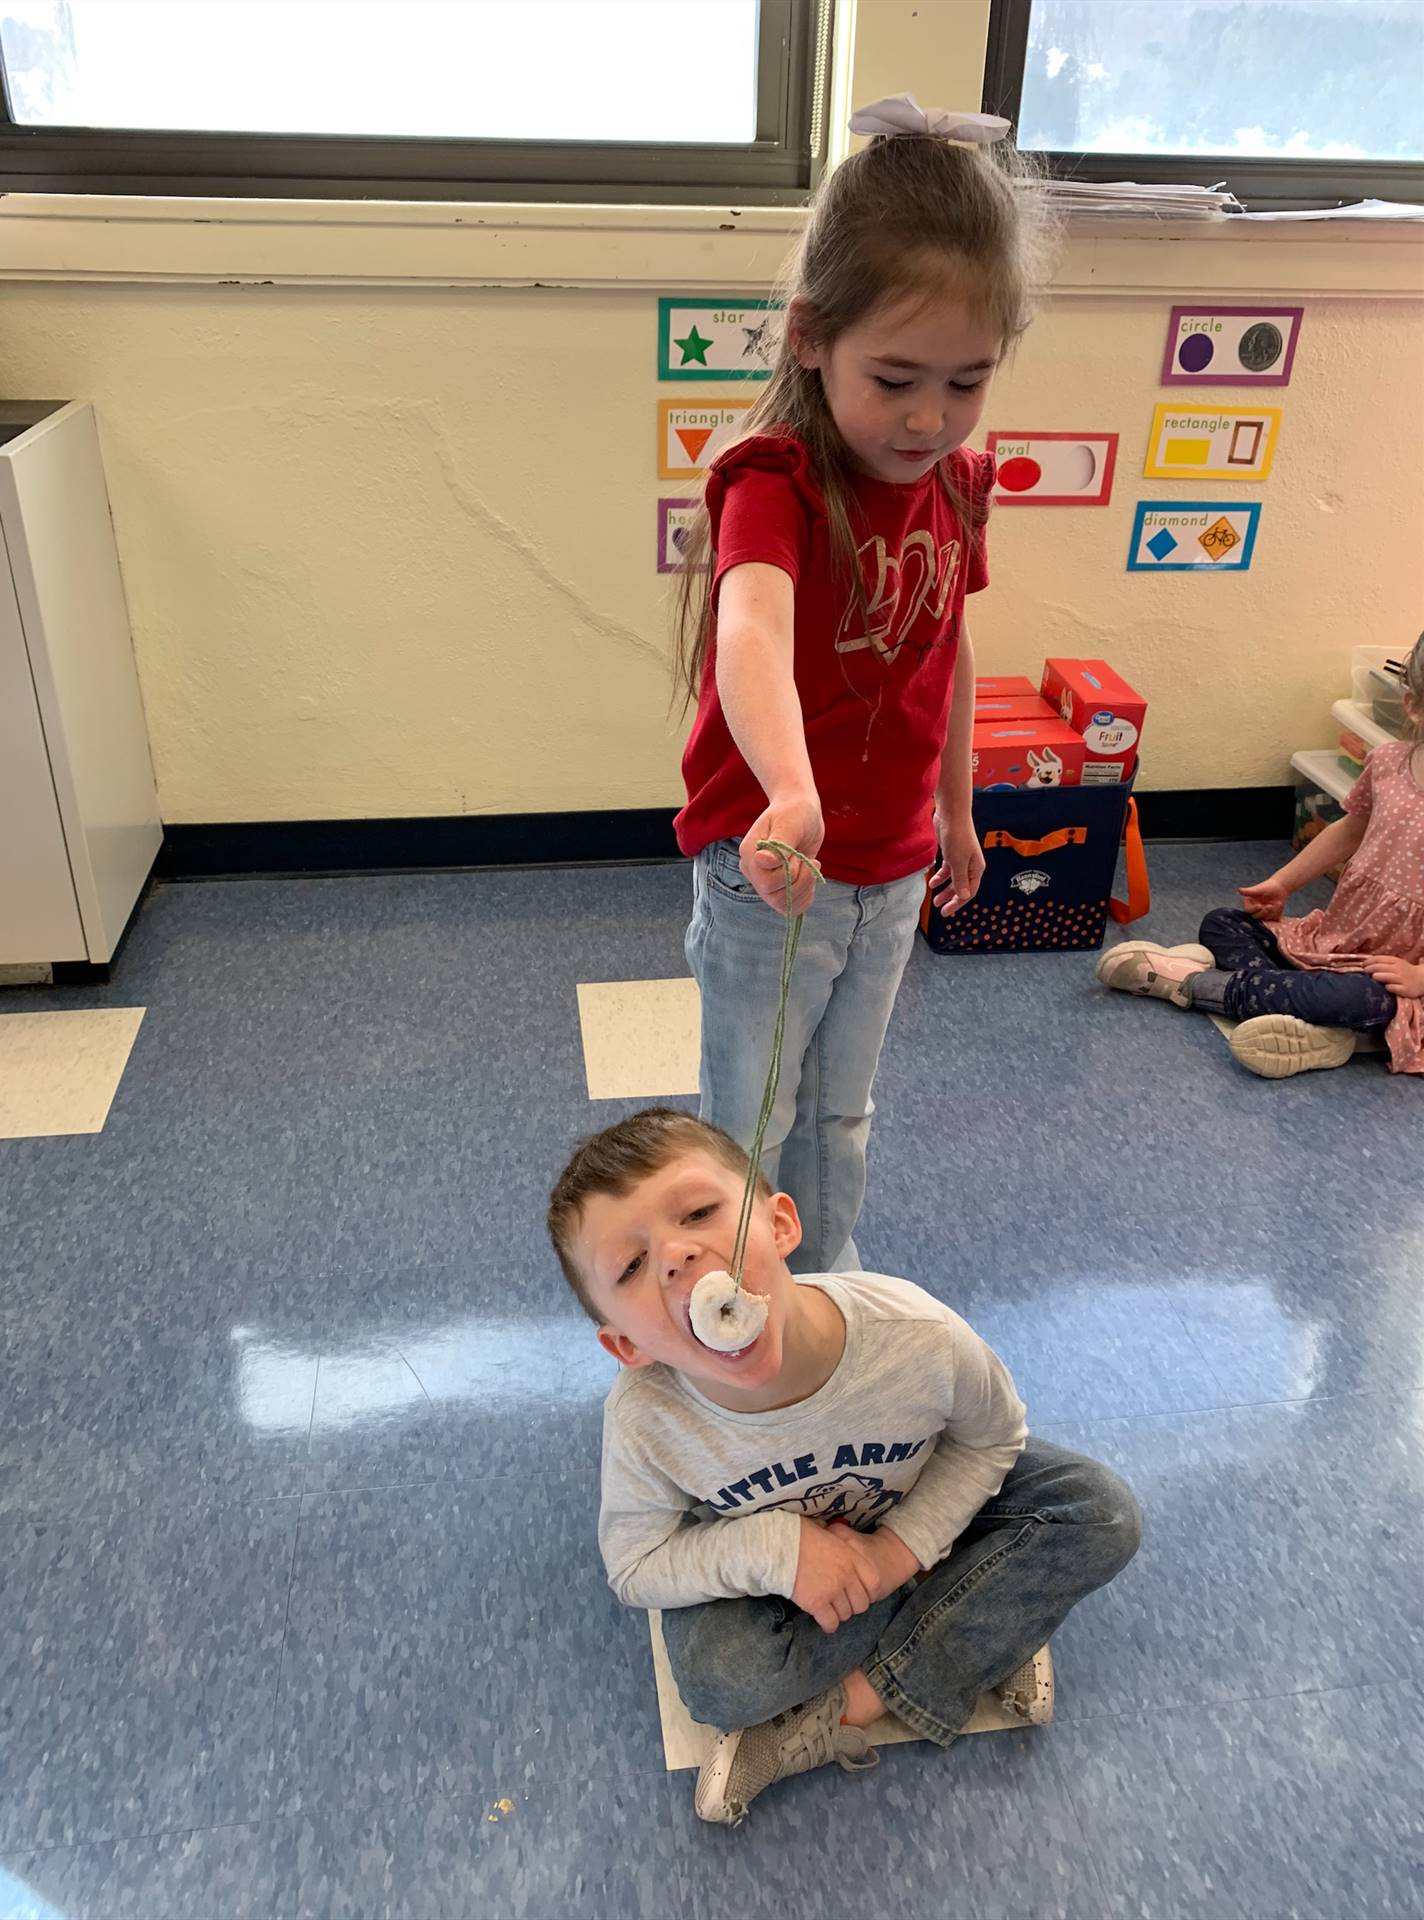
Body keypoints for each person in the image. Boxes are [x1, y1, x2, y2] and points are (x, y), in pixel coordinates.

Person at [670, 96, 1052, 1272]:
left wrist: (958, 806)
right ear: (809, 337)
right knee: (752, 1116)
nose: (930, 418)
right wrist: (789, 788)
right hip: (775, 870)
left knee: (841, 1112)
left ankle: (823, 1296)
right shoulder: (772, 481)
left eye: (967, 382)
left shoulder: (955, 481)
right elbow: (750, 634)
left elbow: (946, 648)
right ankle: (731, 1305)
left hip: (890, 869)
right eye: (895, 378)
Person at [546, 1108, 1141, 1827]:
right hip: (786, 1576)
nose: (675, 1256)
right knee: (720, 1681)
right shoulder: (647, 1418)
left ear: (780, 1224)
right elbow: (636, 1565)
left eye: (700, 1211)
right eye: (633, 1266)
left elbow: (992, 1439)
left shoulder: (918, 1336)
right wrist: (780, 1554)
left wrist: (896, 1554)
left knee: (1099, 1511)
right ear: (626, 1346)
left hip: (916, 1498)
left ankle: (857, 1701)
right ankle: (988, 1620)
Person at [1097, 635, 1424, 1079]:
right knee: (1222, 923)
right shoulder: (1388, 763)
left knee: (1357, 999)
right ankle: (1324, 1027)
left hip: (1401, 983)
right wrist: (1284, 883)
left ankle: (1193, 985)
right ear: (1414, 706)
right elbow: (1350, 829)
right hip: (1339, 944)